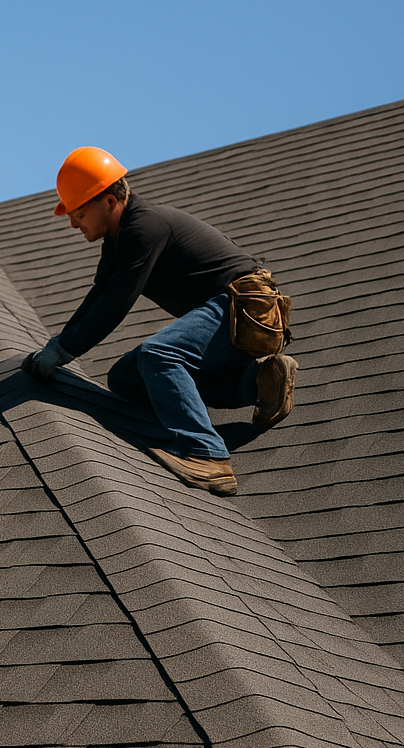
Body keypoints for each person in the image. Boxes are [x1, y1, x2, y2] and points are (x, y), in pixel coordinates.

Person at [24, 147, 298, 496]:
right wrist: (57, 346)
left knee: (158, 356)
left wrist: (61, 353)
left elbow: (115, 302)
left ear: (109, 202)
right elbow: (99, 293)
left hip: (244, 307)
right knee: (127, 378)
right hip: (229, 316)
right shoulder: (118, 240)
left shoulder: (144, 227)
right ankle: (259, 383)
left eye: (78, 212)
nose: (74, 222)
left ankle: (207, 455)